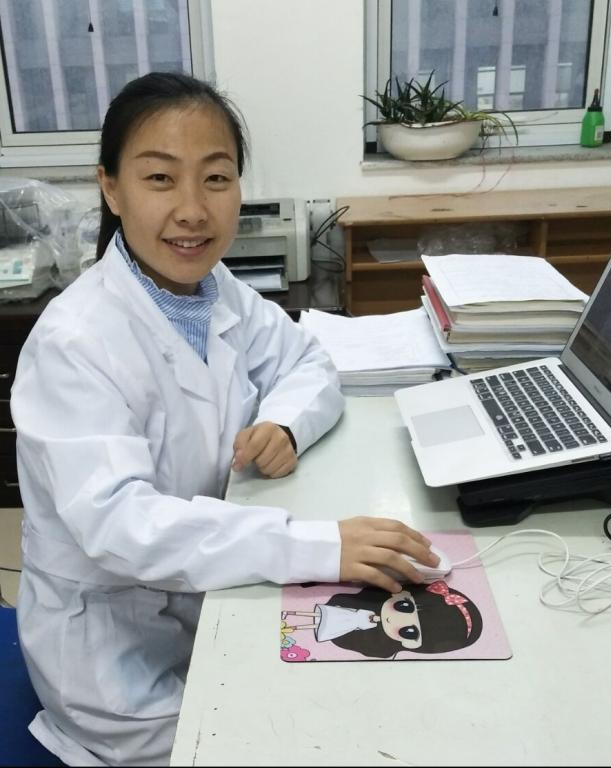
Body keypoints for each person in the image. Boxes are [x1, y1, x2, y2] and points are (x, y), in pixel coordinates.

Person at [9, 71, 438, 768]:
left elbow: (308, 362)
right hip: (117, 658)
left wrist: (285, 424)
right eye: (160, 178)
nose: (192, 210)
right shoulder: (74, 342)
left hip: (209, 595)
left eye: (216, 178)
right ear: (111, 189)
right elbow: (121, 525)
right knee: (318, 739)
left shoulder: (214, 293)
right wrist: (314, 545)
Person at [282, 581, 482, 657]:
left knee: (324, 623)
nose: (396, 620)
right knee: (321, 614)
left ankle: (294, 628)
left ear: (411, 644)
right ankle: (292, 617)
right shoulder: (359, 600)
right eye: (404, 606)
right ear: (401, 594)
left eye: (409, 631)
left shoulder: (369, 643)